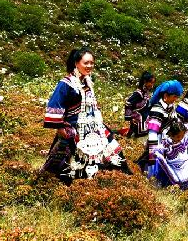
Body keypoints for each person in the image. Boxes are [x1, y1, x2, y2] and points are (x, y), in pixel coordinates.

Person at [42, 48, 130, 184]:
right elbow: (55, 104)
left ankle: (109, 182)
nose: (89, 66)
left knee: (112, 149)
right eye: (86, 63)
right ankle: (70, 186)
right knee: (68, 160)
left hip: (94, 126)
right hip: (74, 127)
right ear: (76, 63)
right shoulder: (66, 84)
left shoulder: (88, 81)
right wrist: (60, 128)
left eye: (92, 63)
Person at [146, 118, 188, 190]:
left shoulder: (184, 140)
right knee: (171, 179)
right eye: (178, 137)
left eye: (182, 136)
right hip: (173, 167)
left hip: (184, 164)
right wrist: (156, 154)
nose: (180, 138)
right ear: (171, 135)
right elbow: (158, 150)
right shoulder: (167, 143)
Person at [136, 79, 183, 171]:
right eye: (174, 96)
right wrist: (153, 154)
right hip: (156, 140)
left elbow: (174, 120)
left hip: (165, 139)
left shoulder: (171, 106)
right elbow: (153, 133)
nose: (175, 99)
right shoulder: (157, 109)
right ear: (166, 95)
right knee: (149, 161)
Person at [124, 71, 155, 138]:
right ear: (145, 81)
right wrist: (130, 118)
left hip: (144, 118)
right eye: (150, 82)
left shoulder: (145, 93)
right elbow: (128, 103)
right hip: (138, 120)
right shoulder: (138, 93)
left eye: (153, 83)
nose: (152, 85)